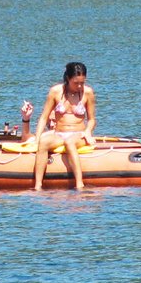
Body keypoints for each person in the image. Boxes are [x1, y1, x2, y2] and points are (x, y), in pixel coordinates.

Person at [26, 62, 96, 191]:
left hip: (78, 134)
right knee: (43, 142)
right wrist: (37, 137)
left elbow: (91, 120)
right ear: (68, 78)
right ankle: (38, 185)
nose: (79, 86)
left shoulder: (88, 93)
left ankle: (79, 184)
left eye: (82, 82)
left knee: (70, 142)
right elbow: (44, 117)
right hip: (59, 133)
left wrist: (87, 132)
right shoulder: (55, 91)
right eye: (76, 83)